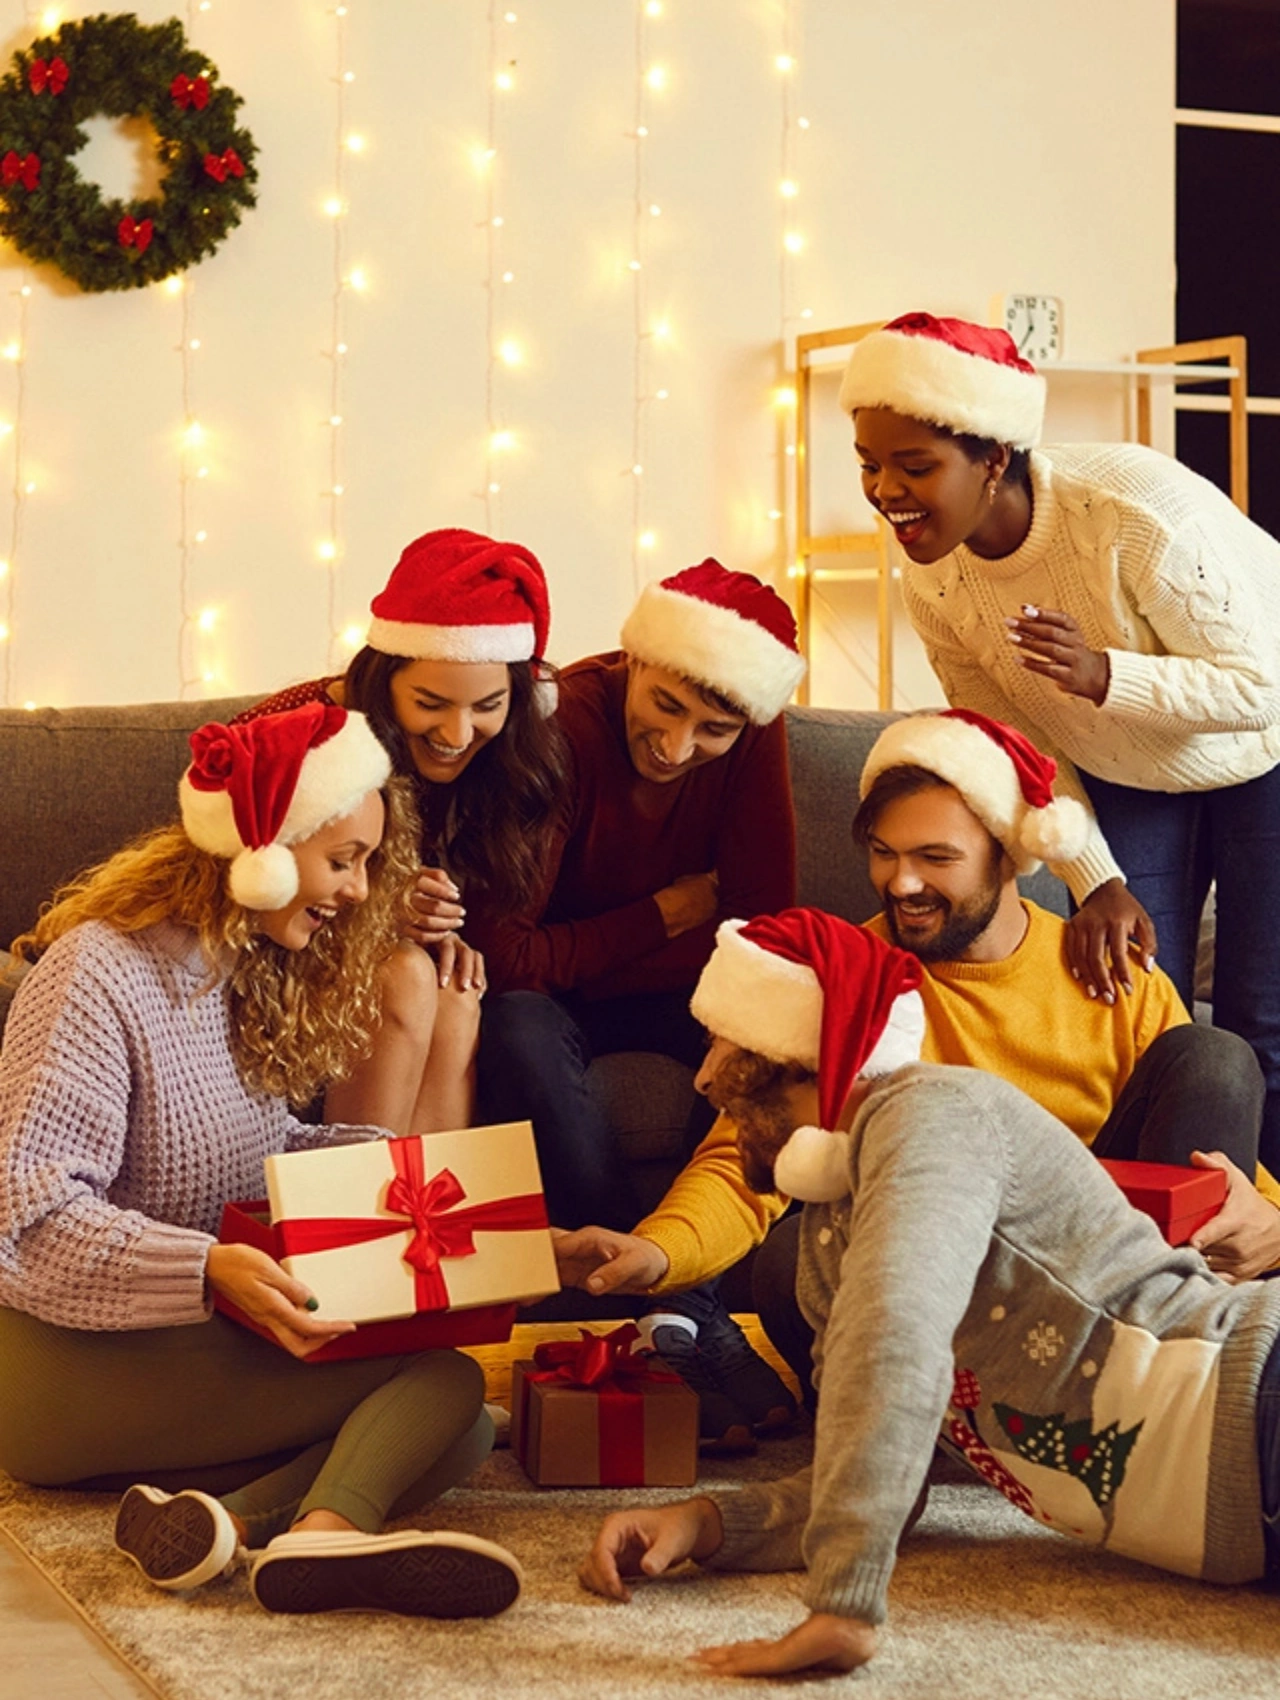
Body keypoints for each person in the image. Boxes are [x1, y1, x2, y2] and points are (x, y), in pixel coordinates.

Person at [579, 910, 1280, 1678]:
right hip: (1251, 1524)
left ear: (800, 1052)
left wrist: (842, 1606)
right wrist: (709, 1523)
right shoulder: (830, 1241)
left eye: (724, 1045)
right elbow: (878, 1479)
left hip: (1258, 1398)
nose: (706, 1078)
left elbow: (895, 1335)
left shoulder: (930, 1113)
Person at [0, 703, 520, 1619]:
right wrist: (206, 1269)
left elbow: (269, 1154)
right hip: (58, 1363)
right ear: (265, 850)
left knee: (459, 1436)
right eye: (344, 860)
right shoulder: (97, 973)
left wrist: (458, 1206)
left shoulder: (240, 973)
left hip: (162, 1353)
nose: (360, 892)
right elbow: (28, 1218)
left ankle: (223, 1531)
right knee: (442, 1382)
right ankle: (316, 1533)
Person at [839, 310, 1280, 1170]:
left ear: (993, 457)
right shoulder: (933, 582)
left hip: (1265, 746)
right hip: (1124, 764)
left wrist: (1105, 676)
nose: (885, 489)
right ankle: (1145, 1259)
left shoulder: (1131, 511)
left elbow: (1262, 685)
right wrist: (1098, 877)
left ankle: (1263, 1252)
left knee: (1264, 1016)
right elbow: (1015, 742)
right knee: (1135, 1002)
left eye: (915, 465)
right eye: (869, 464)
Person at [754, 708, 1280, 1400]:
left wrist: (1272, 1226)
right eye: (885, 853)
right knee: (787, 1262)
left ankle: (1135, 1392)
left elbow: (1233, 1170)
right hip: (936, 1274)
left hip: (1102, 1280)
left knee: (1212, 1056)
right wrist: (659, 1254)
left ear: (1009, 853)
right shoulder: (841, 971)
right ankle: (1009, 1411)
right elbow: (748, 1146)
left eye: (935, 858)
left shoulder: (1112, 974)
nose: (901, 883)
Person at [475, 559, 805, 1447]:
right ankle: (684, 1308)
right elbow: (508, 956)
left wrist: (716, 969)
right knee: (515, 1032)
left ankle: (677, 1319)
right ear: (634, 660)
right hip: (548, 996)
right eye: (665, 707)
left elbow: (762, 923)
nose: (678, 746)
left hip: (671, 990)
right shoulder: (565, 722)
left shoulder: (750, 732)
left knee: (776, 1033)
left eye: (713, 731)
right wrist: (667, 911)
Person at [237, 527, 566, 1139]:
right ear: (385, 680)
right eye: (431, 703)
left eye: (487, 707)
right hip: (269, 953)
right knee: (407, 973)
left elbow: (504, 923)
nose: (458, 733)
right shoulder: (311, 729)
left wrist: (445, 934)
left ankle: (423, 1220)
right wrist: (381, 907)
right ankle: (354, 1214)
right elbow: (235, 874)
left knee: (453, 987)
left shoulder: (508, 768)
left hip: (392, 965)